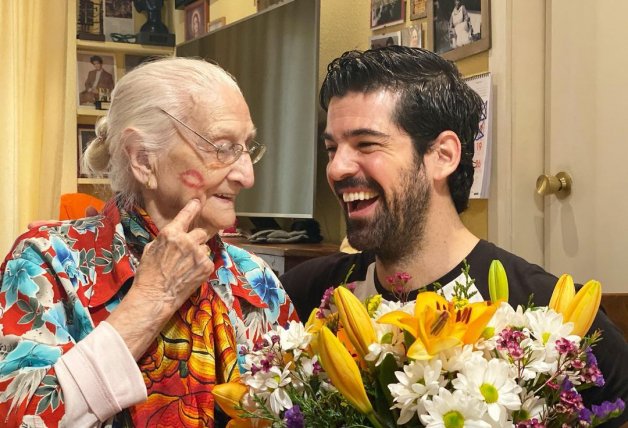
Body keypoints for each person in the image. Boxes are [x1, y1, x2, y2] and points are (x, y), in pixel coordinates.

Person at [280, 46, 627, 426]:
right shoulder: (307, 296)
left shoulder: (553, 317)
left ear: (443, 155)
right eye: (332, 148)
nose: (337, 168)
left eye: (366, 144)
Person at [0, 57, 298, 427]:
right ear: (143, 159)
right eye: (222, 147)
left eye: (246, 147)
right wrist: (152, 300)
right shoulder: (45, 263)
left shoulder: (255, 279)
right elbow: (16, 417)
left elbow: (301, 409)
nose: (246, 175)